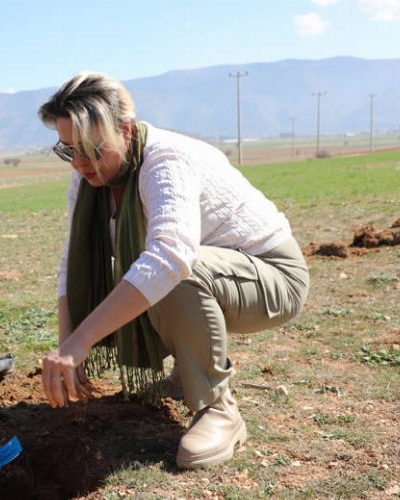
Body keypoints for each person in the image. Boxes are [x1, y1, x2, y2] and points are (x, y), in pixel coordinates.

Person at [37, 72, 310, 469]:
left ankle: (218, 408)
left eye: (91, 150)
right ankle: (187, 373)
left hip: (272, 278)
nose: (80, 164)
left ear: (125, 129)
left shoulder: (165, 160)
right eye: (67, 151)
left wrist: (81, 341)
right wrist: (68, 345)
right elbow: (70, 263)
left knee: (174, 271)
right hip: (219, 272)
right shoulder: (86, 182)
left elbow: (173, 256)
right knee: (140, 275)